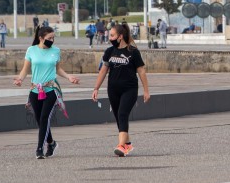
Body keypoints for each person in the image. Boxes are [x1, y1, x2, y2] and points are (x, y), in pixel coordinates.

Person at [13, 26, 80, 159]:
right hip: (35, 90)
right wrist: (20, 79)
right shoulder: (31, 50)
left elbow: (58, 69)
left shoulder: (56, 51)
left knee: (44, 118)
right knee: (39, 119)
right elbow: (25, 69)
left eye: (53, 38)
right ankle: (51, 143)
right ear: (41, 38)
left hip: (51, 89)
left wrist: (69, 77)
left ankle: (39, 149)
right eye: (49, 38)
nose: (52, 40)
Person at [92, 22, 150, 157]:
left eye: (112, 35)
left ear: (120, 36)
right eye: (109, 35)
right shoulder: (109, 51)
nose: (109, 38)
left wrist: (146, 90)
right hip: (113, 89)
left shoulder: (133, 52)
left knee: (123, 114)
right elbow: (103, 71)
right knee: (119, 117)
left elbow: (141, 71)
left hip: (129, 89)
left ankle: (121, 146)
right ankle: (128, 144)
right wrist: (96, 88)